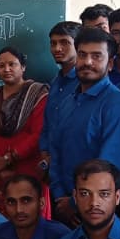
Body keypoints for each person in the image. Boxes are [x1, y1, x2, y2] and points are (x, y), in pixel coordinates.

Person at [44, 27, 120, 228]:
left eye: (96, 56)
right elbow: (55, 151)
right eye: (82, 55)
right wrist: (60, 197)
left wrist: (75, 202)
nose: (88, 62)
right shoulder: (67, 101)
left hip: (95, 209)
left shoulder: (116, 103)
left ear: (110, 64)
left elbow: (109, 163)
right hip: (63, 207)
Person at [0, 46, 49, 215]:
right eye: (1, 66)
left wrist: (10, 158)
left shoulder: (37, 94)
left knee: (29, 214)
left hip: (27, 165)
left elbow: (38, 133)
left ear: (23, 67)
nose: (6, 69)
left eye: (12, 64)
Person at [37, 21, 80, 180]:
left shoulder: (85, 83)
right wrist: (44, 152)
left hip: (76, 168)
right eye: (53, 43)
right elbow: (48, 124)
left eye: (64, 42)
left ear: (79, 45)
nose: (57, 48)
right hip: (53, 169)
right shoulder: (55, 83)